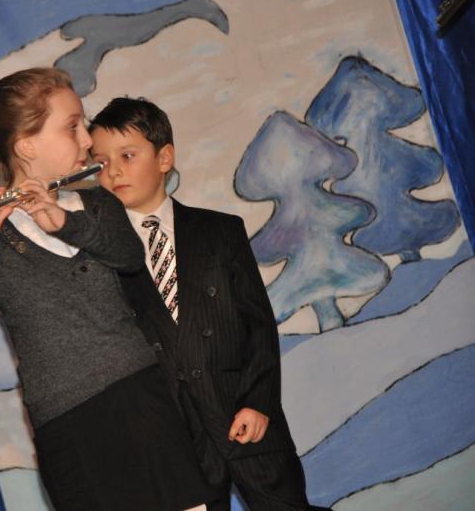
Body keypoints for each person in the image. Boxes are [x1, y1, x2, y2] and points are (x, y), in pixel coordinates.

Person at [0, 69, 212, 511]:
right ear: (27, 145)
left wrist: (65, 222)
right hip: (67, 421)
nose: (88, 140)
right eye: (72, 126)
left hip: (141, 396)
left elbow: (129, 256)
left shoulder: (97, 204)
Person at [89, 97, 331, 511]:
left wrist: (258, 401)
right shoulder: (102, 258)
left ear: (164, 158)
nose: (113, 171)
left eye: (127, 156)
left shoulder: (220, 231)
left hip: (246, 419)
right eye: (100, 162)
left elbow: (258, 325)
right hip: (175, 441)